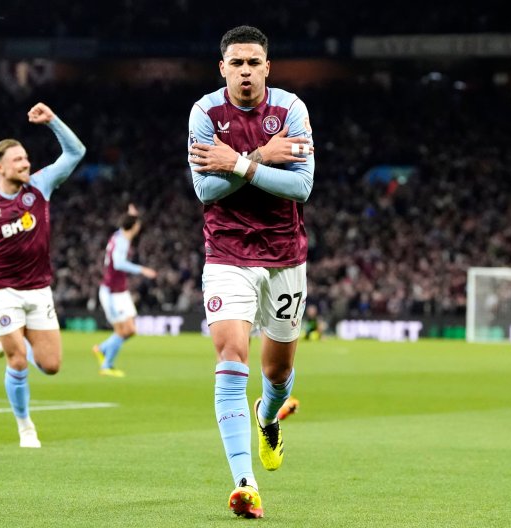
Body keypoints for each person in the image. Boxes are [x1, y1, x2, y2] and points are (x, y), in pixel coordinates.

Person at [187, 25, 315, 518]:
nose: (245, 71)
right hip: (226, 253)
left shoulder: (291, 110)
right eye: (236, 63)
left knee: (277, 371)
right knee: (232, 354)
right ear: (222, 68)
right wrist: (260, 158)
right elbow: (205, 192)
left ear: (267, 67)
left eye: (253, 63)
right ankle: (245, 483)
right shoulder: (204, 113)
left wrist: (236, 163)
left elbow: (300, 186)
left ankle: (269, 415)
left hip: (285, 254)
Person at [0, 102, 86, 448]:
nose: (27, 163)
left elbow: (76, 152)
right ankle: (25, 425)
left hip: (39, 289)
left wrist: (52, 120)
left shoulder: (40, 187)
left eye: (27, 158)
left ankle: (14, 337)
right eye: (19, 159)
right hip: (2, 290)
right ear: (0, 167)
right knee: (18, 360)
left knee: (51, 366)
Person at [93, 203, 157, 377]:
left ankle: (102, 349)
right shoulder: (121, 241)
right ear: (134, 227)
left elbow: (123, 226)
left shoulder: (119, 235)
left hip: (120, 291)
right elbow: (119, 263)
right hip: (111, 293)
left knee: (130, 330)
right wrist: (142, 270)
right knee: (123, 331)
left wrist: (131, 215)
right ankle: (106, 366)